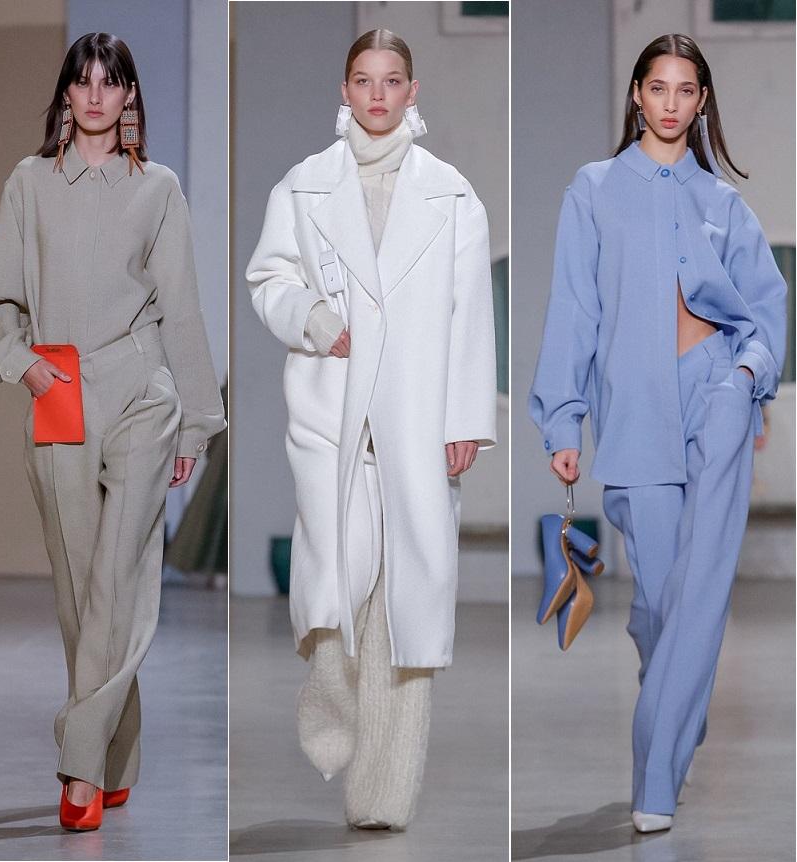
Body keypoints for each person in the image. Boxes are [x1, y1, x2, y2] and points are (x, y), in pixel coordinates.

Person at [0, 32, 225, 832]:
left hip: (142, 392)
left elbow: (181, 308)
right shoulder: (29, 182)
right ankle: (118, 757)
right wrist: (24, 366)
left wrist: (195, 424)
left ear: (129, 95)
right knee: (81, 595)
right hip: (60, 389)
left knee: (119, 579)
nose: (95, 96)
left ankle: (80, 766)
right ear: (66, 95)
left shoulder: (158, 189)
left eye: (110, 83)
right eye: (81, 83)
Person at [529, 33, 787, 834]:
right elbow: (573, 308)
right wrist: (563, 417)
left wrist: (745, 378)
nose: (670, 104)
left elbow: (765, 307)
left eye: (685, 90)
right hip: (635, 408)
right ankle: (677, 711)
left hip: (717, 396)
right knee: (658, 604)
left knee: (700, 587)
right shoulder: (594, 188)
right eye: (657, 88)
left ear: (700, 101)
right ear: (636, 95)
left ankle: (654, 782)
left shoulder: (723, 203)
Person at [246, 29, 497, 829]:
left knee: (407, 604)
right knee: (331, 582)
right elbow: (267, 277)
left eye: (392, 81)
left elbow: (470, 313)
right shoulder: (303, 185)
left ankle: (382, 797)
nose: (378, 94)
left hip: (419, 416)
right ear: (345, 90)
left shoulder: (451, 195)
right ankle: (329, 697)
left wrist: (465, 418)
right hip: (330, 409)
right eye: (363, 79)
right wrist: (314, 319)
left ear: (412, 92)